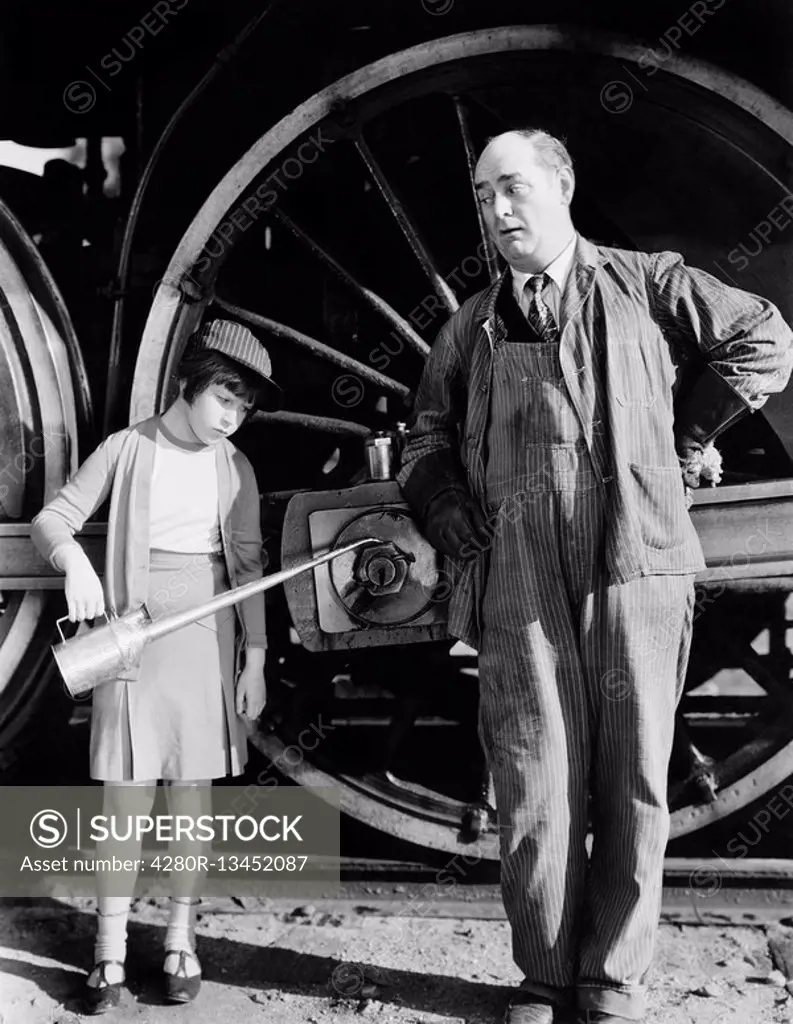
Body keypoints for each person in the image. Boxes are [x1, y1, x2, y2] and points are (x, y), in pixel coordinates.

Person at [398, 129, 793, 1024]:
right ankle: (542, 977)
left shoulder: (648, 286)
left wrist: (689, 436)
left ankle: (611, 983)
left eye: (512, 189)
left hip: (633, 557)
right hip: (517, 567)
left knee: (633, 778)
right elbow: (425, 434)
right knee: (534, 778)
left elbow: (763, 340)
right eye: (482, 196)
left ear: (562, 186)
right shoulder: (469, 328)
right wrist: (442, 503)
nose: (497, 212)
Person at [31, 318, 280, 1014]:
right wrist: (73, 559)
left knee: (192, 801)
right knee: (124, 802)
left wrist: (254, 659)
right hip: (133, 644)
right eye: (225, 398)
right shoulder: (127, 448)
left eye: (244, 407)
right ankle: (108, 953)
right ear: (190, 381)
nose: (233, 417)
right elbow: (55, 518)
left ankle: (180, 943)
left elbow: (249, 570)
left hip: (205, 638)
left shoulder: (237, 468)